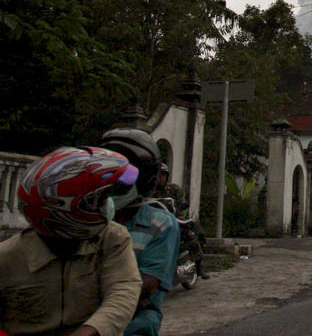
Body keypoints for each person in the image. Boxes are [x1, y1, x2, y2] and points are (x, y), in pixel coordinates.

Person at [0, 146, 142, 336]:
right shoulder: (7, 258)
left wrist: (91, 330)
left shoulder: (112, 237)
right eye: (99, 200)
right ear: (68, 209)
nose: (108, 204)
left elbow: (124, 289)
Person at [100, 129, 180, 336]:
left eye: (124, 176)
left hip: (134, 324)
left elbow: (147, 285)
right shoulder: (91, 217)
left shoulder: (160, 224)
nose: (114, 182)